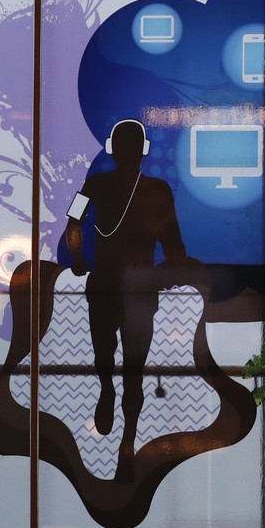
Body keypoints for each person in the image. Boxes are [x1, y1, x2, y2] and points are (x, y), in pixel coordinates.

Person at [64, 118, 194, 481]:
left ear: (112, 149)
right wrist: (178, 269)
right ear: (142, 151)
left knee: (103, 354)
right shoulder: (159, 190)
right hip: (140, 287)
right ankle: (128, 440)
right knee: (133, 370)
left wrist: (78, 259)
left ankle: (107, 393)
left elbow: (72, 224)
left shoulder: (96, 184)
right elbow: (174, 244)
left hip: (104, 283)